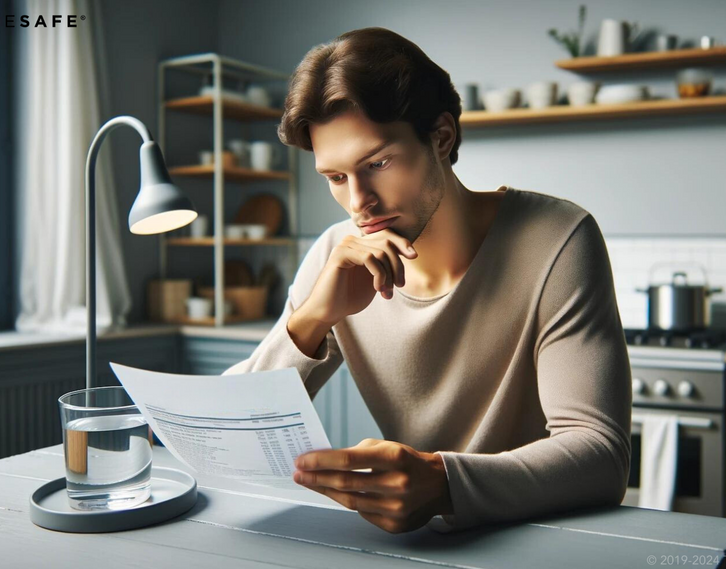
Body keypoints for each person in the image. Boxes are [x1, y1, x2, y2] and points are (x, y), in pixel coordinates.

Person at [223, 27, 632, 534]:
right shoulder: (338, 253)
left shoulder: (558, 239)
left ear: (441, 137)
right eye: (335, 177)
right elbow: (228, 434)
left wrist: (443, 482)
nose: (359, 203)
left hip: (541, 538)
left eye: (377, 163)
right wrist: (310, 321)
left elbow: (601, 456)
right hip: (423, 547)